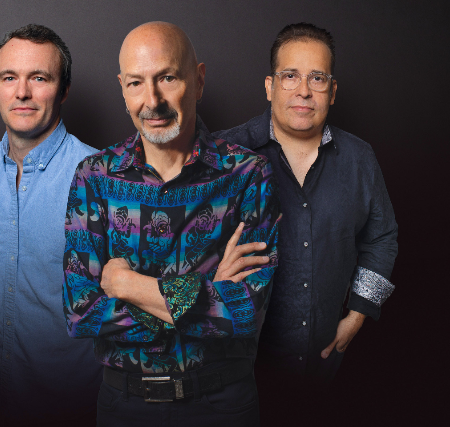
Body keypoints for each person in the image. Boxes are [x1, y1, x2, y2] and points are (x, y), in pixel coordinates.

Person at [63, 22, 280, 427]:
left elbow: (246, 311)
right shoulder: (94, 177)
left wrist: (127, 285)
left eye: (167, 78)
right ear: (122, 89)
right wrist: (209, 295)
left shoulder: (248, 174)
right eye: (136, 83)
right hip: (125, 406)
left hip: (223, 405)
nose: (153, 101)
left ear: (198, 81)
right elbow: (81, 312)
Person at [214, 23, 398, 388]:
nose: (303, 91)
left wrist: (359, 312)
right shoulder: (222, 155)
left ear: (332, 91)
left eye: (317, 78)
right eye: (290, 76)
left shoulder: (360, 158)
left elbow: (381, 237)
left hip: (324, 372)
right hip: (235, 379)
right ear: (270, 86)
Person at [0, 24, 102, 426]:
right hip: (3, 399)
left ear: (63, 89)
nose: (22, 92)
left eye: (39, 78)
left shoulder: (101, 178)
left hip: (80, 407)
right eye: (9, 78)